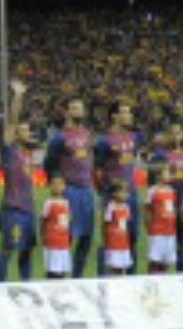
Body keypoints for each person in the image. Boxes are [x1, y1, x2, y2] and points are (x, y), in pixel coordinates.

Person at [42, 100, 97, 277]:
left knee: (87, 236)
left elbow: (91, 159)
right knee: (66, 234)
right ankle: (58, 275)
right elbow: (49, 162)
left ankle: (77, 276)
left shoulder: (88, 135)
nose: (78, 111)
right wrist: (56, 185)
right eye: (73, 108)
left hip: (86, 190)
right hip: (70, 190)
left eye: (80, 108)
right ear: (67, 113)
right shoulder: (60, 137)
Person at [95, 102, 142, 272]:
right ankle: (104, 276)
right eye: (125, 112)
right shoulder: (104, 140)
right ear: (114, 116)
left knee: (132, 235)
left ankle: (130, 275)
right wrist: (105, 192)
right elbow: (97, 169)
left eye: (129, 112)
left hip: (131, 193)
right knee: (110, 236)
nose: (129, 116)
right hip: (112, 196)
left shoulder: (134, 137)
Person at [0, 119, 37, 282]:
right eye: (23, 130)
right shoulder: (9, 152)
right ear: (16, 134)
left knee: (27, 250)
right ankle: (1, 285)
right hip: (14, 209)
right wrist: (16, 105)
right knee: (8, 249)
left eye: (28, 130)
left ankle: (26, 283)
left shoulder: (28, 153)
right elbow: (8, 129)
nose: (27, 133)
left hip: (28, 209)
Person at [145, 161, 180, 274]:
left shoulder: (171, 191)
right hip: (157, 231)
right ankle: (152, 279)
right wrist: (149, 228)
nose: (170, 175)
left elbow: (173, 209)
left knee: (166, 260)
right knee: (155, 259)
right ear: (158, 176)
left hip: (170, 231)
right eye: (167, 172)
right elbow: (147, 211)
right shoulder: (152, 191)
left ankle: (164, 279)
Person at [40, 174, 72, 280]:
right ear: (51, 186)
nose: (58, 187)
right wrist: (43, 236)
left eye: (60, 184)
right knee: (53, 269)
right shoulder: (49, 203)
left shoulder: (66, 203)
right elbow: (43, 220)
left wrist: (69, 236)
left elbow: (67, 222)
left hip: (63, 241)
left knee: (62, 269)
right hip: (52, 241)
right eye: (55, 184)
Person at [101, 184, 133, 277]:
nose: (125, 194)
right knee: (113, 266)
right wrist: (106, 239)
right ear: (114, 194)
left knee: (123, 266)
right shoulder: (111, 207)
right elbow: (106, 224)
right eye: (122, 192)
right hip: (113, 243)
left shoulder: (126, 207)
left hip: (123, 243)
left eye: (126, 192)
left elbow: (125, 224)